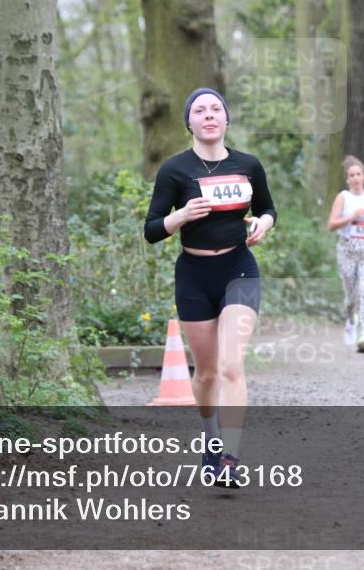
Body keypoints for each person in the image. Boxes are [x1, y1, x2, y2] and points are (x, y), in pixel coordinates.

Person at [144, 87, 276, 487]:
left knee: (232, 366)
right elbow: (151, 230)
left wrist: (263, 225)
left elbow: (267, 208)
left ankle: (231, 460)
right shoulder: (175, 170)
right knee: (205, 374)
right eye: (199, 110)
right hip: (194, 276)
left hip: (239, 269)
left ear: (226, 118)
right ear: (189, 122)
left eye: (215, 108)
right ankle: (210, 441)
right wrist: (181, 215)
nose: (208, 115)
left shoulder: (248, 165)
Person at [327, 156, 364, 353]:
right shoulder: (343, 197)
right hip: (347, 250)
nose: (356, 178)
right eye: (352, 175)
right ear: (347, 179)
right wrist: (351, 216)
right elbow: (331, 224)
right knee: (351, 297)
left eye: (359, 174)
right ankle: (350, 320)